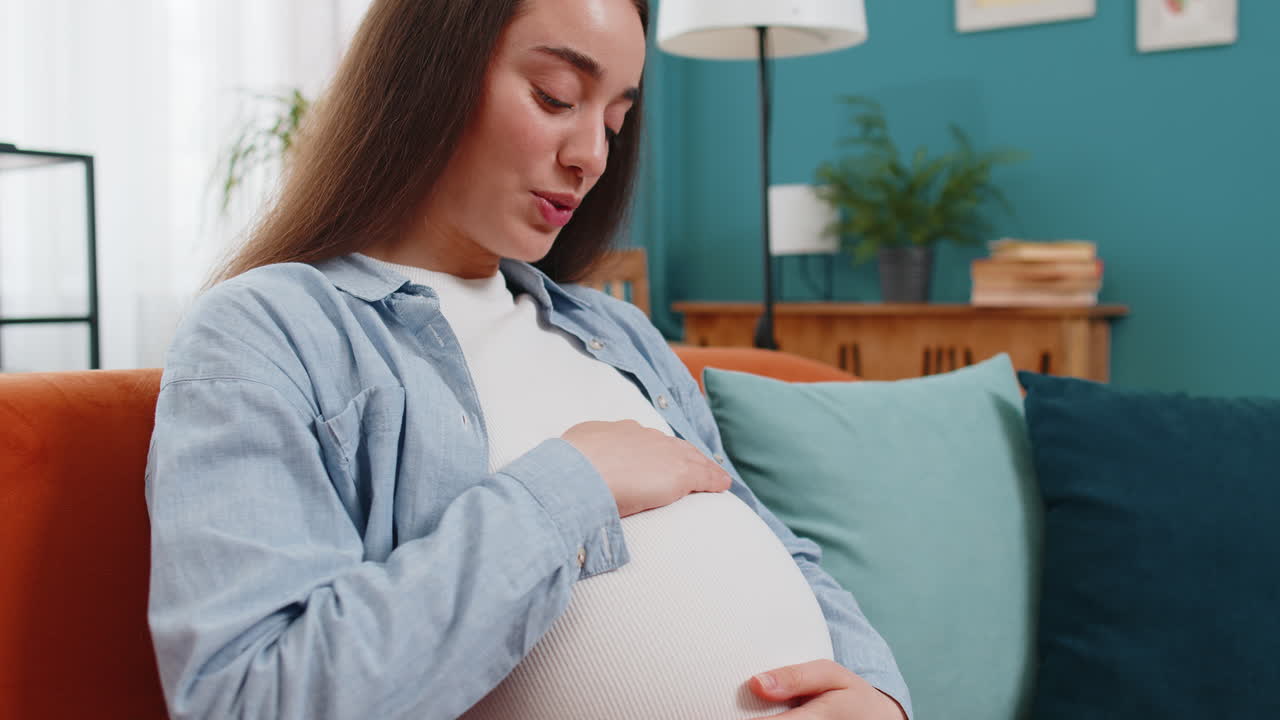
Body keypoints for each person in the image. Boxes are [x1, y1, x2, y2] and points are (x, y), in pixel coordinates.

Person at [144, 0, 912, 718]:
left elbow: (778, 543)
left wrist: (880, 692)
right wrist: (569, 487)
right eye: (554, 96)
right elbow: (247, 694)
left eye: (615, 121)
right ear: (431, 70)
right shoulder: (269, 329)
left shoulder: (618, 330)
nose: (592, 157)